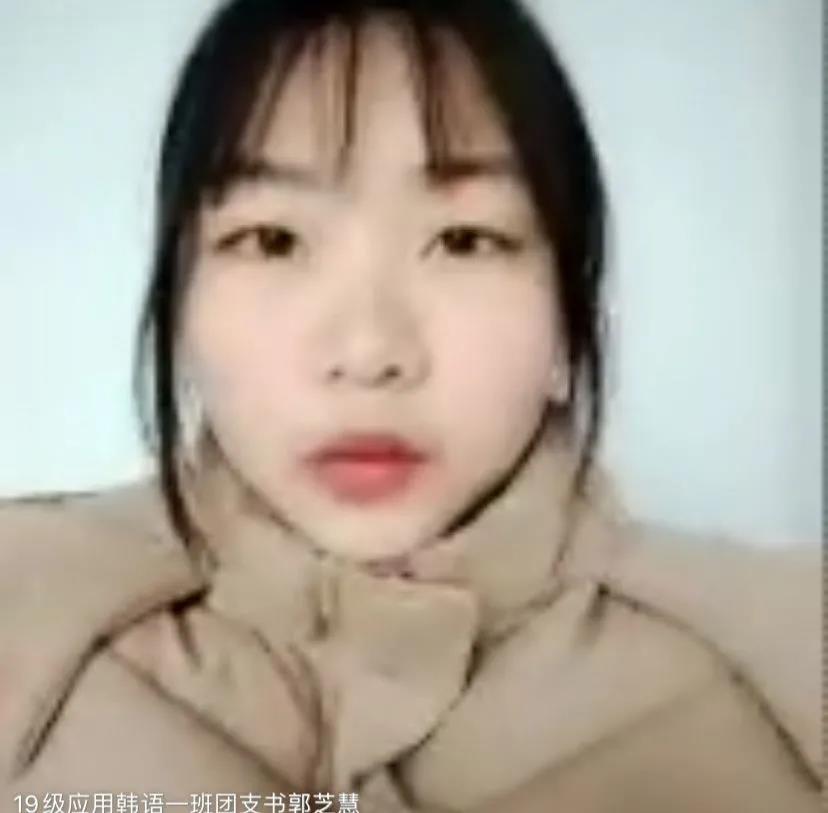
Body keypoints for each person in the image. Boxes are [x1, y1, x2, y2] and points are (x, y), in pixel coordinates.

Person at [0, 1, 820, 810]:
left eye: (464, 240)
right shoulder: (22, 605)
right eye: (274, 240)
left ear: (570, 315)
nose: (369, 352)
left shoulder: (794, 658)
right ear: (180, 302)